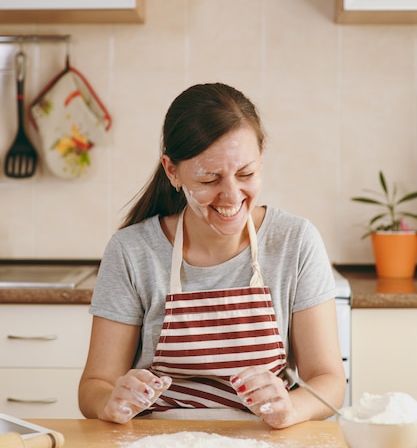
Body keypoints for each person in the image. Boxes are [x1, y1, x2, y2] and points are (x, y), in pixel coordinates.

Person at [78, 82, 346, 429]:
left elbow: (329, 380)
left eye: (246, 174)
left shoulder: (295, 241)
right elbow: (93, 387)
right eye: (209, 179)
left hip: (265, 443)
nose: (232, 195)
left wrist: (292, 407)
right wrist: (109, 401)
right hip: (158, 446)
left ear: (261, 156)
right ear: (172, 171)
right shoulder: (132, 251)